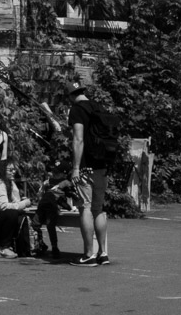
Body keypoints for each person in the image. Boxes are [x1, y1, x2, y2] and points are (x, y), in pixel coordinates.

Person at [68, 80, 110, 266]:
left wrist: (76, 167)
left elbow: (78, 139)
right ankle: (103, 253)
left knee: (85, 208)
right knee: (98, 208)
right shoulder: (98, 107)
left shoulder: (77, 109)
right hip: (102, 165)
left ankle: (88, 255)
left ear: (71, 96)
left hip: (86, 166)